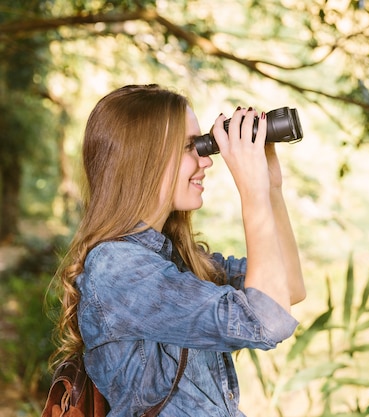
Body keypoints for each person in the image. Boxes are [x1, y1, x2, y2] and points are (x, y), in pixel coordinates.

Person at [50, 84, 306, 416]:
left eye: (203, 145)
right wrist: (251, 191)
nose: (206, 160)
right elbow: (266, 320)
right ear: (143, 158)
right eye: (190, 147)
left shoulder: (175, 260)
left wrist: (271, 188)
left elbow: (290, 289)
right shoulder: (117, 268)